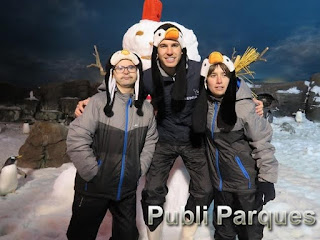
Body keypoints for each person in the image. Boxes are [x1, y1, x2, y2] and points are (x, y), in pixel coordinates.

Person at [74, 23, 264, 240]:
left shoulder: (197, 71)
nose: (169, 51)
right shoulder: (147, 76)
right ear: (156, 49)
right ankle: (155, 237)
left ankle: (186, 235)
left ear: (182, 49)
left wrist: (248, 99)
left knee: (204, 189)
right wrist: (94, 98)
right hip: (162, 140)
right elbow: (120, 82)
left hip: (194, 139)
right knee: (152, 190)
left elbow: (229, 82)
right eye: (163, 46)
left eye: (174, 45)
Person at [66, 49, 158, 240]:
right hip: (93, 187)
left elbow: (150, 140)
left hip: (126, 190)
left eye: (131, 66)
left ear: (137, 72)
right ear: (113, 73)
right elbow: (77, 138)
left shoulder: (146, 109)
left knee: (127, 236)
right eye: (120, 67)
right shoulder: (97, 103)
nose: (126, 71)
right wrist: (92, 171)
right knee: (81, 235)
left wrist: (138, 169)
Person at [192, 51, 278, 240]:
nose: (219, 80)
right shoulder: (204, 105)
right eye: (213, 75)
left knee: (249, 232)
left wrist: (267, 180)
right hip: (221, 186)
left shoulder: (245, 107)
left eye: (224, 74)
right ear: (206, 80)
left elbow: (262, 143)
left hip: (245, 185)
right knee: (223, 233)